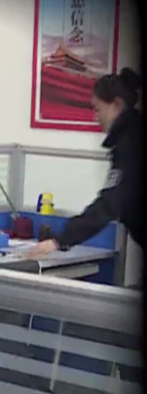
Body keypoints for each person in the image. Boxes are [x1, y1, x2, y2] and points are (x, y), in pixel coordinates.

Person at [27, 68, 142, 259]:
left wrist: (60, 240)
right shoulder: (131, 136)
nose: (96, 118)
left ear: (116, 105)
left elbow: (110, 204)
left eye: (98, 109)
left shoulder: (130, 146)